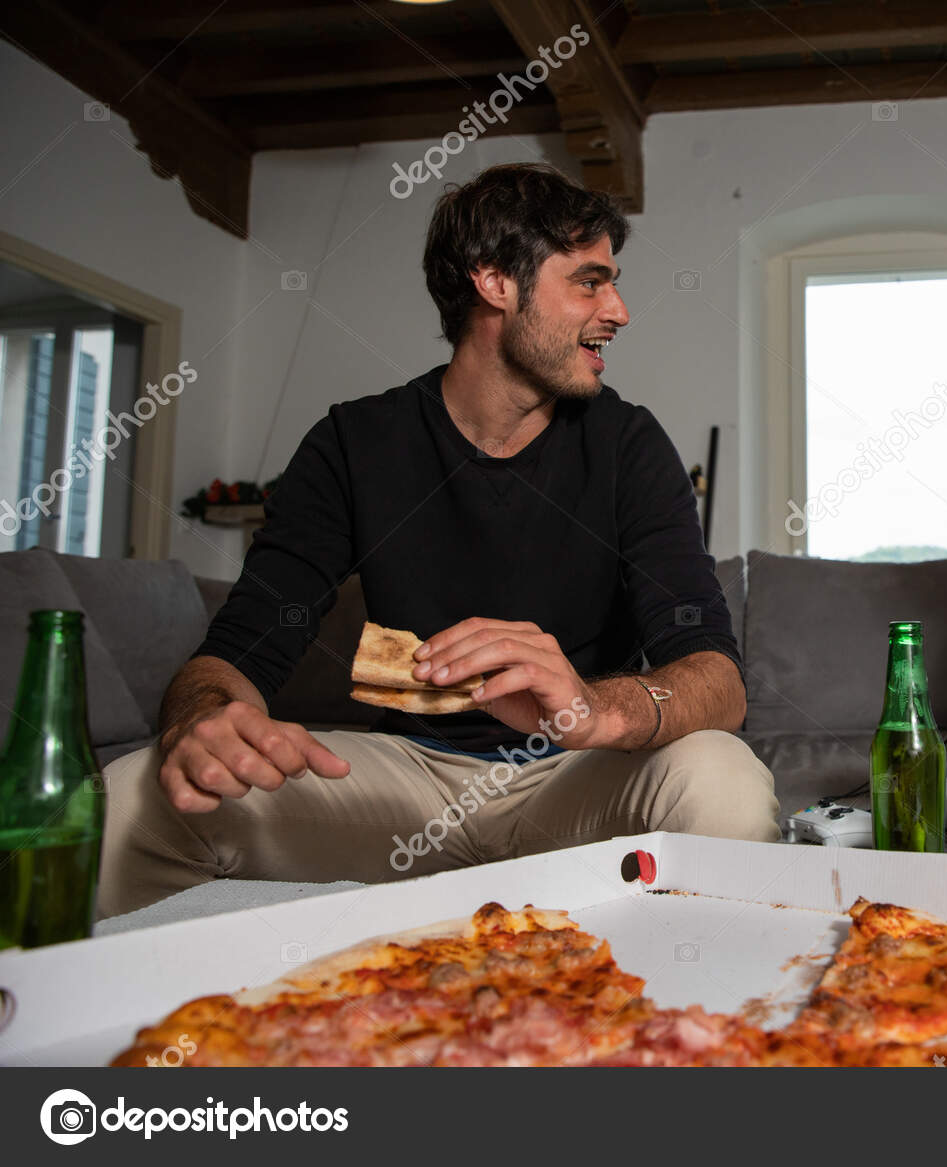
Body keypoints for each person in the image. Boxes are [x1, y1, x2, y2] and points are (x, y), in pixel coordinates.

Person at [101, 163, 779, 917]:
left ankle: (704, 1021)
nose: (617, 308)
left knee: (722, 778)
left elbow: (719, 678)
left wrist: (594, 708)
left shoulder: (629, 444)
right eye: (589, 282)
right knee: (132, 795)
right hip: (407, 785)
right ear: (492, 280)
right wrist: (203, 719)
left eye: (612, 281)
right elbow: (239, 648)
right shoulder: (354, 442)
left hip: (577, 780)